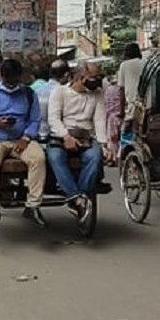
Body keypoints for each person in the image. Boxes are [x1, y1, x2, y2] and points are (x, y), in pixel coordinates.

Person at [0, 58, 47, 230]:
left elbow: (35, 120)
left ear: (20, 76)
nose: (11, 84)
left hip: (21, 139)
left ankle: (33, 205)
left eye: (15, 80)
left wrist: (26, 138)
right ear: (1, 76)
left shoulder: (29, 93)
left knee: (39, 159)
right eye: (8, 80)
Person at [47, 62, 108, 219]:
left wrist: (104, 144)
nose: (97, 80)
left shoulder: (98, 94)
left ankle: (79, 196)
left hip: (86, 136)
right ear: (81, 77)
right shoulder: (59, 92)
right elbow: (53, 119)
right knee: (55, 157)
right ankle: (75, 198)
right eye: (94, 77)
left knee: (95, 157)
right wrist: (66, 137)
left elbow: (100, 120)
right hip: (61, 136)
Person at [117, 43, 143, 128]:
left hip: (133, 104)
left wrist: (121, 112)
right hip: (147, 103)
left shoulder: (124, 65)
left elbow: (121, 89)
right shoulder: (144, 62)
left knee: (133, 131)